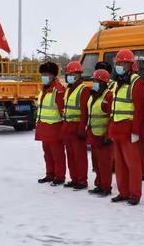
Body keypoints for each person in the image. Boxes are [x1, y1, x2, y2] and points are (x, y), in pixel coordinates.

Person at [109, 49, 144, 205]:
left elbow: (140, 109)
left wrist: (136, 131)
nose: (120, 65)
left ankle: (134, 194)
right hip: (117, 128)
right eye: (118, 63)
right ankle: (123, 192)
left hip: (129, 129)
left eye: (123, 63)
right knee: (120, 164)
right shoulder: (117, 82)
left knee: (133, 164)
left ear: (131, 65)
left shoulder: (137, 82)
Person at [35, 62, 66, 186]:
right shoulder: (43, 89)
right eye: (43, 74)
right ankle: (50, 174)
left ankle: (59, 176)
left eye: (47, 74)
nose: (44, 76)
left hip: (55, 127)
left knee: (57, 154)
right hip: (44, 126)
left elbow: (62, 110)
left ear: (53, 76)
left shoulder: (58, 90)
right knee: (47, 153)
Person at [62, 61, 90, 190]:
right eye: (69, 73)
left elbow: (85, 111)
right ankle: (74, 178)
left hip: (77, 126)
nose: (70, 76)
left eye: (73, 73)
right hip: (68, 126)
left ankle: (82, 180)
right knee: (71, 155)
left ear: (79, 74)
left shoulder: (83, 90)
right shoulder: (69, 89)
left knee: (80, 156)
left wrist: (82, 128)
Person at [87, 69, 114, 197]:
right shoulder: (93, 95)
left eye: (96, 81)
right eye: (94, 80)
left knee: (105, 164)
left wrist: (108, 135)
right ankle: (99, 184)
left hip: (103, 136)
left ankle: (106, 187)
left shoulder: (108, 96)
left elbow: (111, 117)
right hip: (93, 134)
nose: (94, 83)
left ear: (104, 82)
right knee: (96, 162)